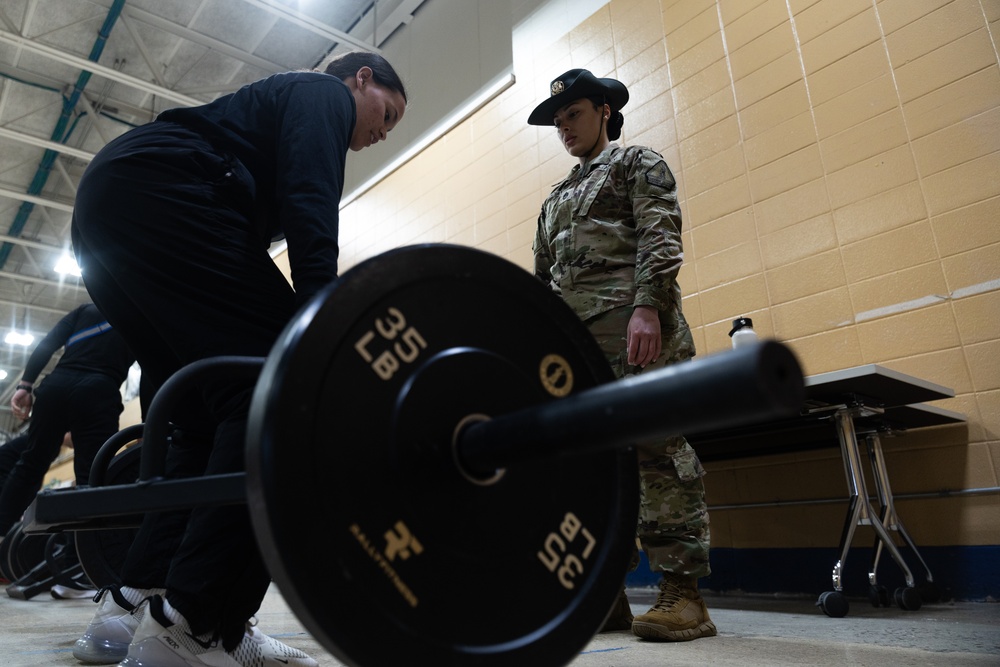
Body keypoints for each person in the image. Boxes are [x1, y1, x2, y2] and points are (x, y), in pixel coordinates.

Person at [69, 51, 407, 667]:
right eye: (386, 114)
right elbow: (311, 201)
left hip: (109, 211)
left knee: (201, 415)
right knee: (280, 393)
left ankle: (131, 607)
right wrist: (320, 326)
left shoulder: (264, 117)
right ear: (359, 80)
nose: (381, 133)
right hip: (165, 192)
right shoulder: (320, 94)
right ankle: (199, 625)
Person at [528, 69, 715, 642]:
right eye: (558, 123)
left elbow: (661, 235)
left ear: (605, 110)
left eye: (574, 115)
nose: (565, 129)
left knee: (657, 452)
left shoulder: (636, 163)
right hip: (578, 355)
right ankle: (604, 592)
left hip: (638, 337)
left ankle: (684, 595)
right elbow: (543, 281)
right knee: (591, 469)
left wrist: (648, 307)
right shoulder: (555, 197)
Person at [0, 303, 133, 538]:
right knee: (93, 474)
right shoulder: (141, 311)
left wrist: (25, 384)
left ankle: (2, 537)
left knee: (31, 464)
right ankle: (81, 556)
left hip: (55, 387)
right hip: (99, 389)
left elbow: (48, 344)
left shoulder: (85, 310)